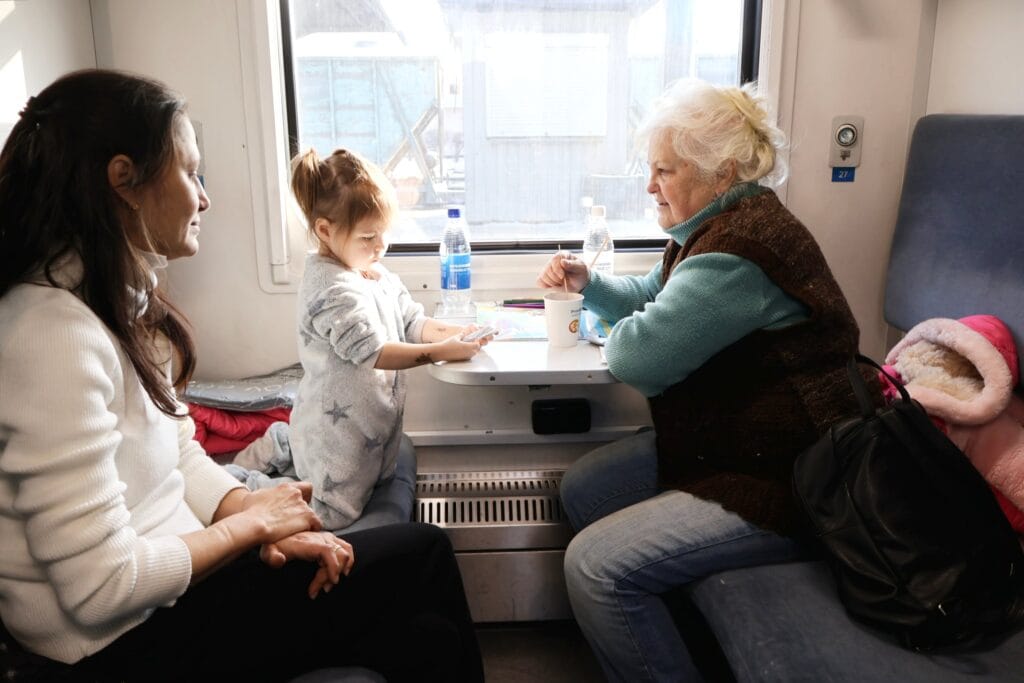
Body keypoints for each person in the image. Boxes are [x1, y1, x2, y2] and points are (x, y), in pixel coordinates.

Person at [0, 69, 483, 682]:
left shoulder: (109, 303)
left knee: (427, 639)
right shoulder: (50, 335)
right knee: (426, 557)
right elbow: (100, 589)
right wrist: (255, 525)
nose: (204, 198)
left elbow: (179, 456)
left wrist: (251, 509)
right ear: (124, 180)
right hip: (119, 645)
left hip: (170, 595)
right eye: (190, 173)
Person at [536, 79, 870, 681]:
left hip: (790, 480)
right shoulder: (715, 229)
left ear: (721, 173)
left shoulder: (740, 251)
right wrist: (590, 283)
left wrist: (625, 332)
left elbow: (640, 359)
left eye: (664, 170)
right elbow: (655, 298)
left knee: (592, 567)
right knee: (585, 488)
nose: (649, 185)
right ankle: (667, 625)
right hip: (739, 444)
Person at [288, 148, 491, 531]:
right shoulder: (330, 290)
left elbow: (411, 320)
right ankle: (260, 487)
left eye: (384, 234)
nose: (380, 246)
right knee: (331, 517)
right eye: (368, 237)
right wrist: (440, 353)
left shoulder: (370, 270)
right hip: (338, 434)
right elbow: (376, 352)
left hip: (374, 426)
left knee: (375, 480)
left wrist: (456, 333)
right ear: (325, 231)